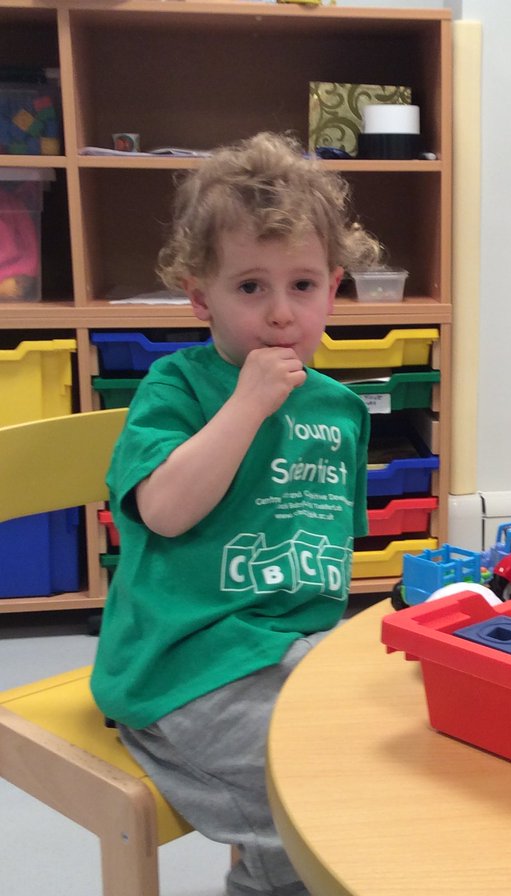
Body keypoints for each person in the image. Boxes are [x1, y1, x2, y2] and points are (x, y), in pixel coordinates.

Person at [90, 131, 383, 896]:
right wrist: (247, 407)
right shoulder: (177, 389)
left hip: (286, 652)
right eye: (250, 288)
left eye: (304, 286)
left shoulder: (342, 409)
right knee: (309, 796)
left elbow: (325, 554)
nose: (281, 314)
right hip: (182, 669)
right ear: (200, 298)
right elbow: (164, 509)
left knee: (398, 745)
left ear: (335, 288)